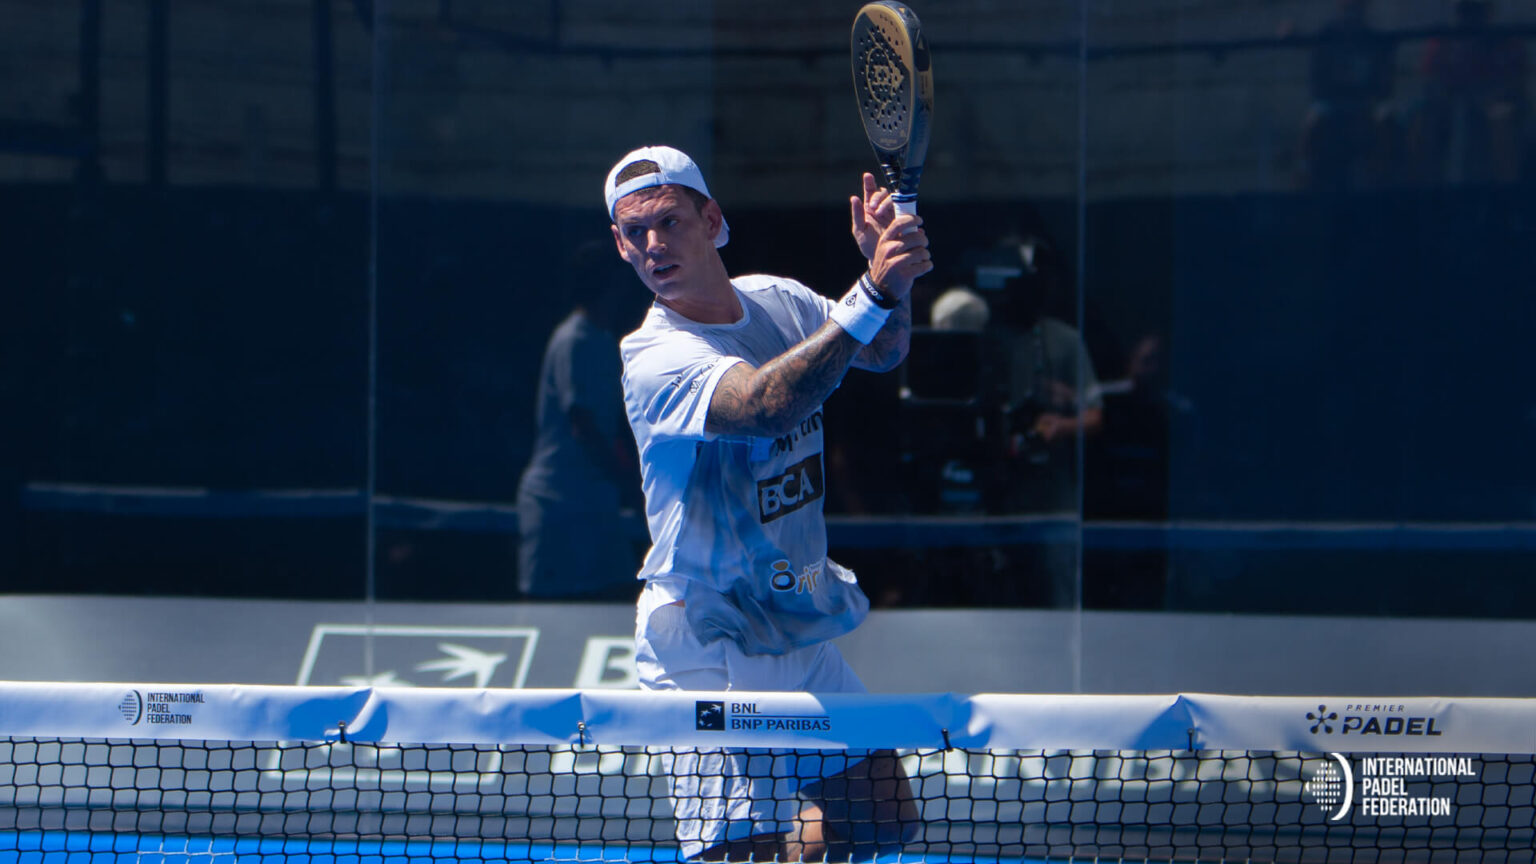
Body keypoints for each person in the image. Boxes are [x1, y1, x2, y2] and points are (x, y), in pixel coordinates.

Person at [605, 145, 929, 861]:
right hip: (705, 637)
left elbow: (880, 351)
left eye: (669, 221)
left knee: (882, 819)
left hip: (790, 623)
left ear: (711, 220)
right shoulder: (653, 357)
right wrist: (872, 292)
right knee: (737, 857)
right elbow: (765, 407)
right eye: (635, 232)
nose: (653, 244)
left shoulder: (778, 300)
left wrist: (895, 278)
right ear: (621, 246)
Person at [514, 241, 644, 601]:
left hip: (596, 506)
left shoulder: (604, 342)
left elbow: (610, 424)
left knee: (614, 601)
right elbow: (583, 424)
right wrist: (627, 483)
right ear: (607, 284)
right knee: (553, 614)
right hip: (556, 506)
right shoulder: (573, 340)